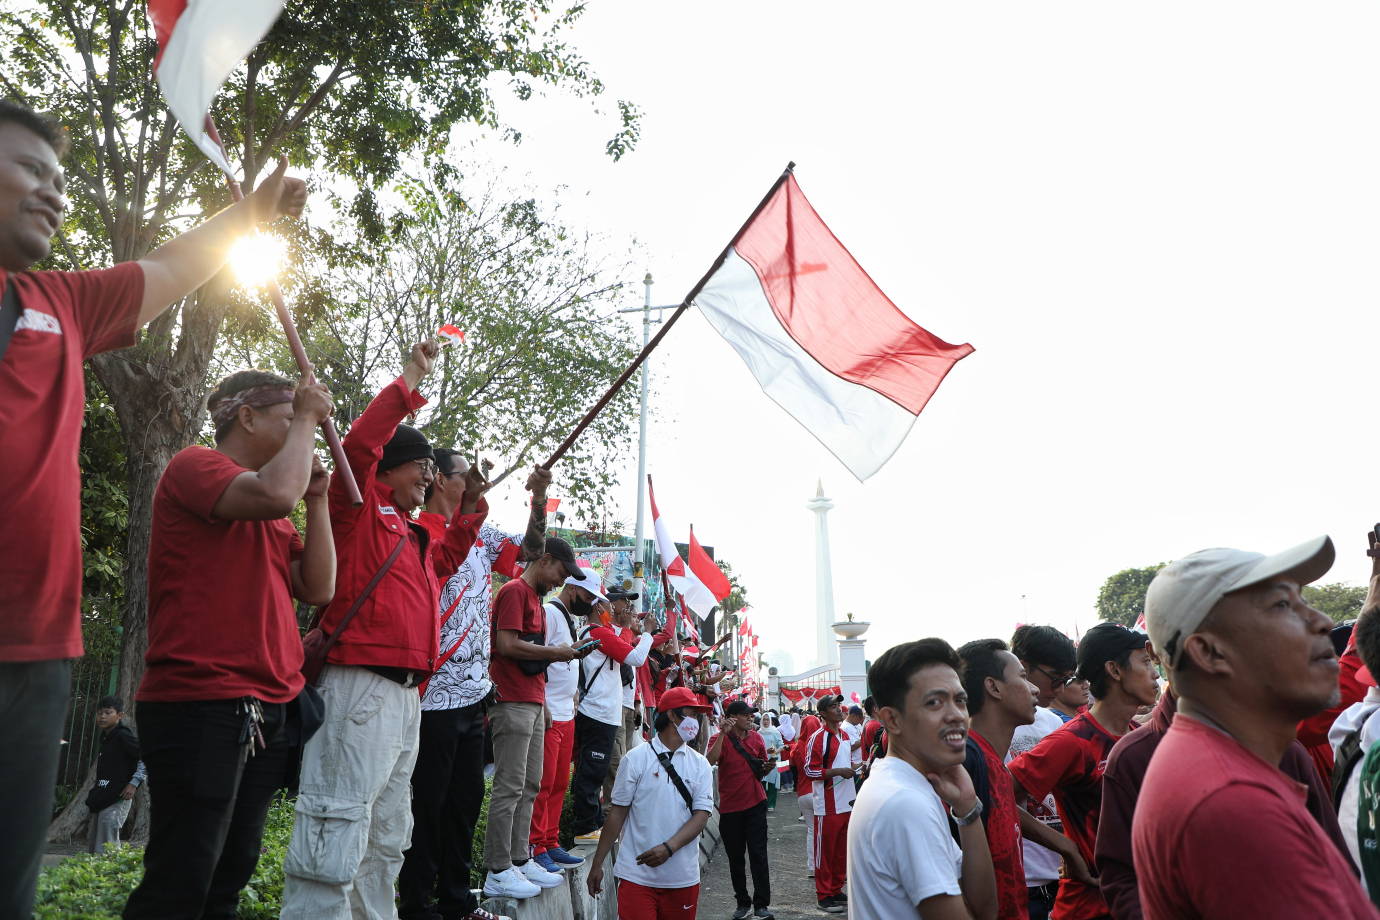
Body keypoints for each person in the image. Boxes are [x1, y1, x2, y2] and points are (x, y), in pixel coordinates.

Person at [0, 100, 306, 920]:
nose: (54, 193)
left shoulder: (62, 303)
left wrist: (250, 215)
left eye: (61, 179)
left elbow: (174, 267)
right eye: (30, 169)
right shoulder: (198, 470)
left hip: (37, 653)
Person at [281, 342, 491, 919]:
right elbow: (357, 445)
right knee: (337, 821)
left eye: (432, 469)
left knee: (387, 836)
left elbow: (448, 558)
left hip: (405, 701)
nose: (429, 476)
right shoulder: (357, 508)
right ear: (388, 470)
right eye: (421, 467)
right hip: (360, 687)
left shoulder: (413, 536)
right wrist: (410, 381)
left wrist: (471, 507)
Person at [125, 369, 335, 920]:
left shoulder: (273, 504)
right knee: (183, 876)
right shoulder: (195, 466)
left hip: (268, 708)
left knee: (230, 874)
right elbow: (272, 493)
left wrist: (316, 502)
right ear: (247, 417)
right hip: (203, 702)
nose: (300, 431)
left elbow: (318, 587)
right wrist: (311, 419)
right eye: (289, 419)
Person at [1135, 536, 1378, 918]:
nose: (1323, 622)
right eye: (1282, 605)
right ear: (1209, 652)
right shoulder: (1230, 802)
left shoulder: (1221, 768)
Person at [400, 447, 552, 920]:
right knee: (428, 803)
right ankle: (417, 904)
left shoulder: (483, 537)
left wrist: (539, 500)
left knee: (465, 802)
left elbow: (528, 553)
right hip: (432, 695)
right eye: (467, 473)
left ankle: (457, 900)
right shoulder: (419, 531)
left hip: (473, 693)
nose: (478, 480)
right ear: (439, 480)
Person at [1098, 662, 1348, 919]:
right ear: (1158, 653)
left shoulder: (1284, 752)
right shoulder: (1133, 758)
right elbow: (1120, 877)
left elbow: (1337, 865)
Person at [1007, 624, 1158, 920]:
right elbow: (992, 791)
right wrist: (1066, 848)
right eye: (1145, 661)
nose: (1155, 673)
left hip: (1138, 903)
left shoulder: (1137, 736)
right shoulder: (1072, 741)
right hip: (1088, 907)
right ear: (1114, 670)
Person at [848, 638, 998, 920]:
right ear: (892, 720)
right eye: (934, 702)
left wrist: (967, 808)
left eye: (960, 700)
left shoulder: (904, 784)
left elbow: (984, 909)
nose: (956, 715)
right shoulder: (906, 803)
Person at [479, 535, 583, 899]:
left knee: (531, 785)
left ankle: (520, 859)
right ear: (545, 560)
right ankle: (497, 867)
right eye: (560, 572)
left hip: (535, 702)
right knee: (510, 786)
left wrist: (545, 705)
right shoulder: (513, 591)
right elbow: (506, 645)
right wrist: (556, 652)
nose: (561, 581)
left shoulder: (535, 600)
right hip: (511, 700)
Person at [959, 639, 1093, 920]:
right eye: (1022, 677)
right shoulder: (967, 761)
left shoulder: (991, 763)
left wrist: (1066, 846)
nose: (1034, 688)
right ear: (993, 687)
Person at [586, 687, 715, 917]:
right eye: (692, 714)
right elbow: (617, 814)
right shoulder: (634, 760)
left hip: (682, 878)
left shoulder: (700, 764)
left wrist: (669, 848)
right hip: (636, 876)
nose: (697, 721)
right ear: (672, 715)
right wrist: (597, 864)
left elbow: (701, 817)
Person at [570, 593, 674, 843]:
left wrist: (631, 629)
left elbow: (628, 645)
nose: (626, 607)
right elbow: (635, 656)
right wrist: (643, 631)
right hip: (596, 712)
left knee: (599, 770)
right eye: (617, 603)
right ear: (602, 606)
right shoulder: (596, 632)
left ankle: (594, 822)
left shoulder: (607, 632)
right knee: (593, 771)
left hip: (606, 713)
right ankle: (585, 827)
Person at [527, 569, 604, 875]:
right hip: (549, 713)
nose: (590, 604)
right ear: (572, 589)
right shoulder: (549, 612)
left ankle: (550, 840)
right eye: (587, 598)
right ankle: (535, 845)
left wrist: (572, 690)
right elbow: (536, 658)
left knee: (559, 783)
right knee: (543, 783)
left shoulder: (568, 618)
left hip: (566, 713)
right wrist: (542, 701)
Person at [1006, 626, 1079, 920]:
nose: (1060, 689)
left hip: (1061, 874)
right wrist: (1066, 846)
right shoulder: (992, 727)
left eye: (1067, 680)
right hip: (1021, 878)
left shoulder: (1053, 723)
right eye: (1055, 678)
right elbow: (996, 798)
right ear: (1023, 669)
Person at [707, 699, 774, 919]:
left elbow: (761, 770)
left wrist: (767, 767)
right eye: (746, 715)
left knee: (759, 856)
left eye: (751, 714)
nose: (750, 718)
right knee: (736, 859)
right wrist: (724, 734)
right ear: (732, 718)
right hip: (730, 810)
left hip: (756, 804)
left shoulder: (757, 738)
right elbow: (709, 761)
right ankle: (742, 903)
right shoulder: (719, 738)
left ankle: (761, 904)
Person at [804, 694, 856, 912]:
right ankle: (823, 895)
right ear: (823, 713)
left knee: (840, 851)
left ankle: (835, 889)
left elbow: (844, 763)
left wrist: (858, 766)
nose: (838, 709)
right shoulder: (817, 737)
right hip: (827, 805)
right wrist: (838, 772)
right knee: (825, 853)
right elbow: (809, 770)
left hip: (847, 802)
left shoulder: (843, 734)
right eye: (833, 706)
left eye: (839, 705)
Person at [605, 586, 647, 818]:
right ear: (611, 604)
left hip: (629, 704)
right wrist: (628, 628)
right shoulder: (608, 630)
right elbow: (626, 657)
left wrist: (638, 702)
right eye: (624, 601)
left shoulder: (625, 631)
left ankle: (622, 809)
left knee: (626, 758)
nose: (629, 607)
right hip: (614, 704)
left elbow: (633, 672)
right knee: (617, 761)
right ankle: (612, 812)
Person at [85, 696, 144, 854]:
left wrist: (134, 783)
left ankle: (111, 876)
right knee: (96, 846)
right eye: (99, 713)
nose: (102, 716)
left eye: (107, 712)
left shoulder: (122, 735)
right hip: (103, 796)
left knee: (108, 846)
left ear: (120, 715)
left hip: (117, 798)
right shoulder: (106, 736)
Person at [758, 713, 784, 811]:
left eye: (767, 720)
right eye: (764, 720)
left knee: (773, 781)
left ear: (770, 721)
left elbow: (781, 745)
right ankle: (763, 803)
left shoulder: (775, 732)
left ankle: (771, 804)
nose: (765, 722)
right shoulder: (759, 733)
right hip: (762, 759)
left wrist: (775, 752)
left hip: (773, 759)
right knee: (762, 781)